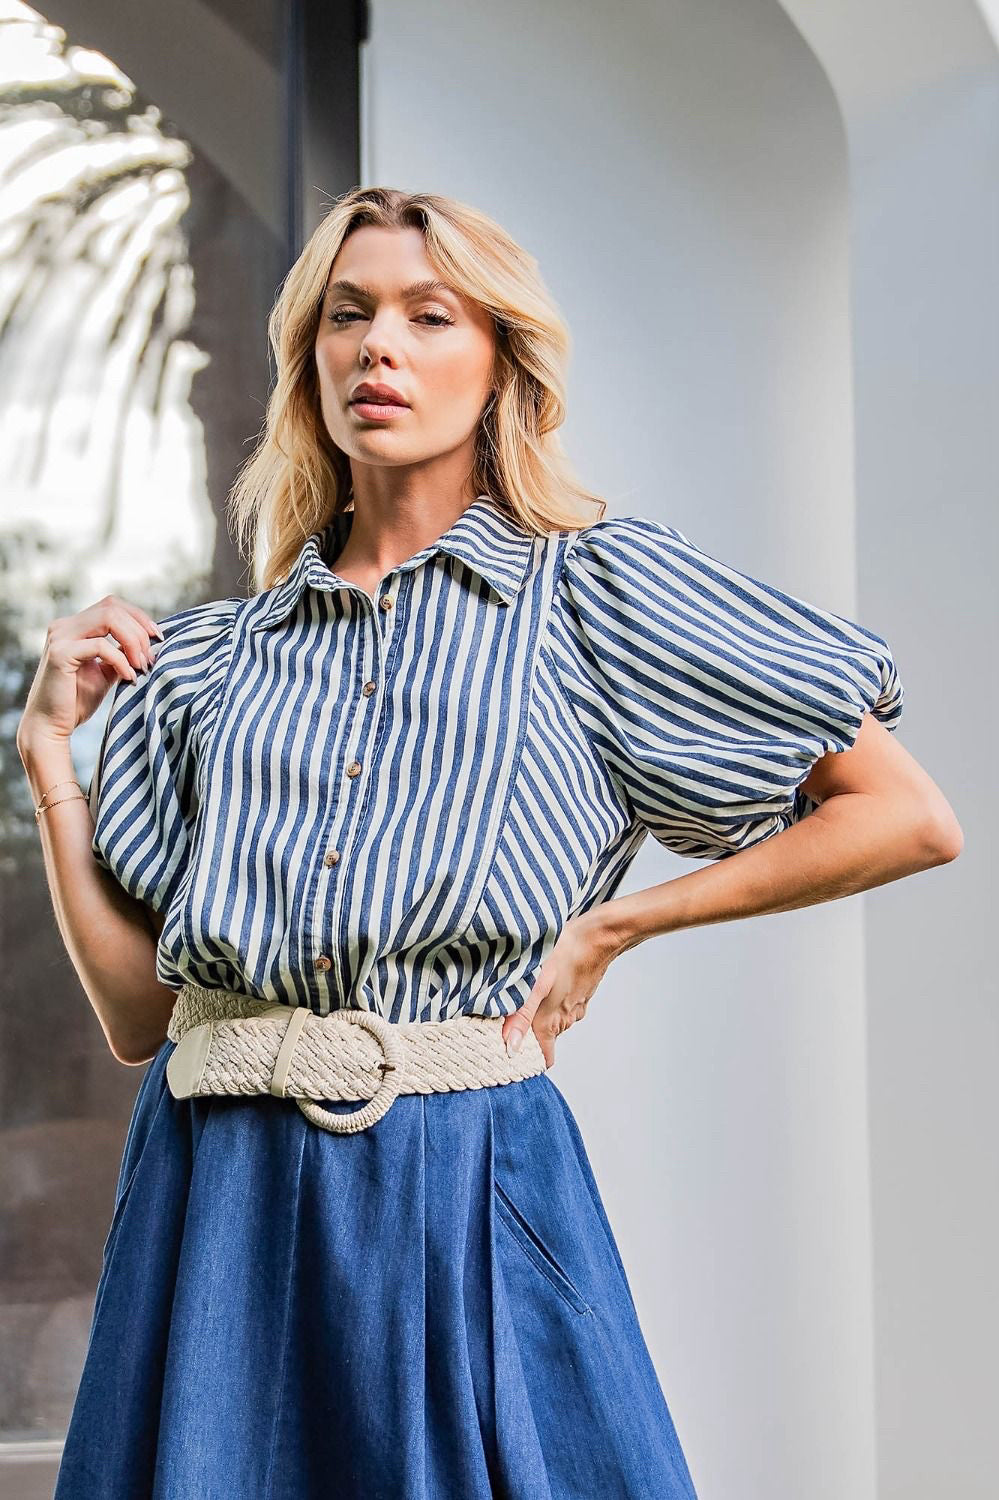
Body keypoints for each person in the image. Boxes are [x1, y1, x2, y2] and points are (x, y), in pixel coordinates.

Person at [17, 186, 962, 1500]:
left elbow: (906, 814)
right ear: (309, 361)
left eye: (427, 313)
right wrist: (50, 760)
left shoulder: (596, 594)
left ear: (500, 359)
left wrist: (620, 922)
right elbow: (140, 1018)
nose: (378, 348)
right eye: (347, 316)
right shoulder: (203, 666)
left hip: (460, 1179)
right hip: (215, 1201)